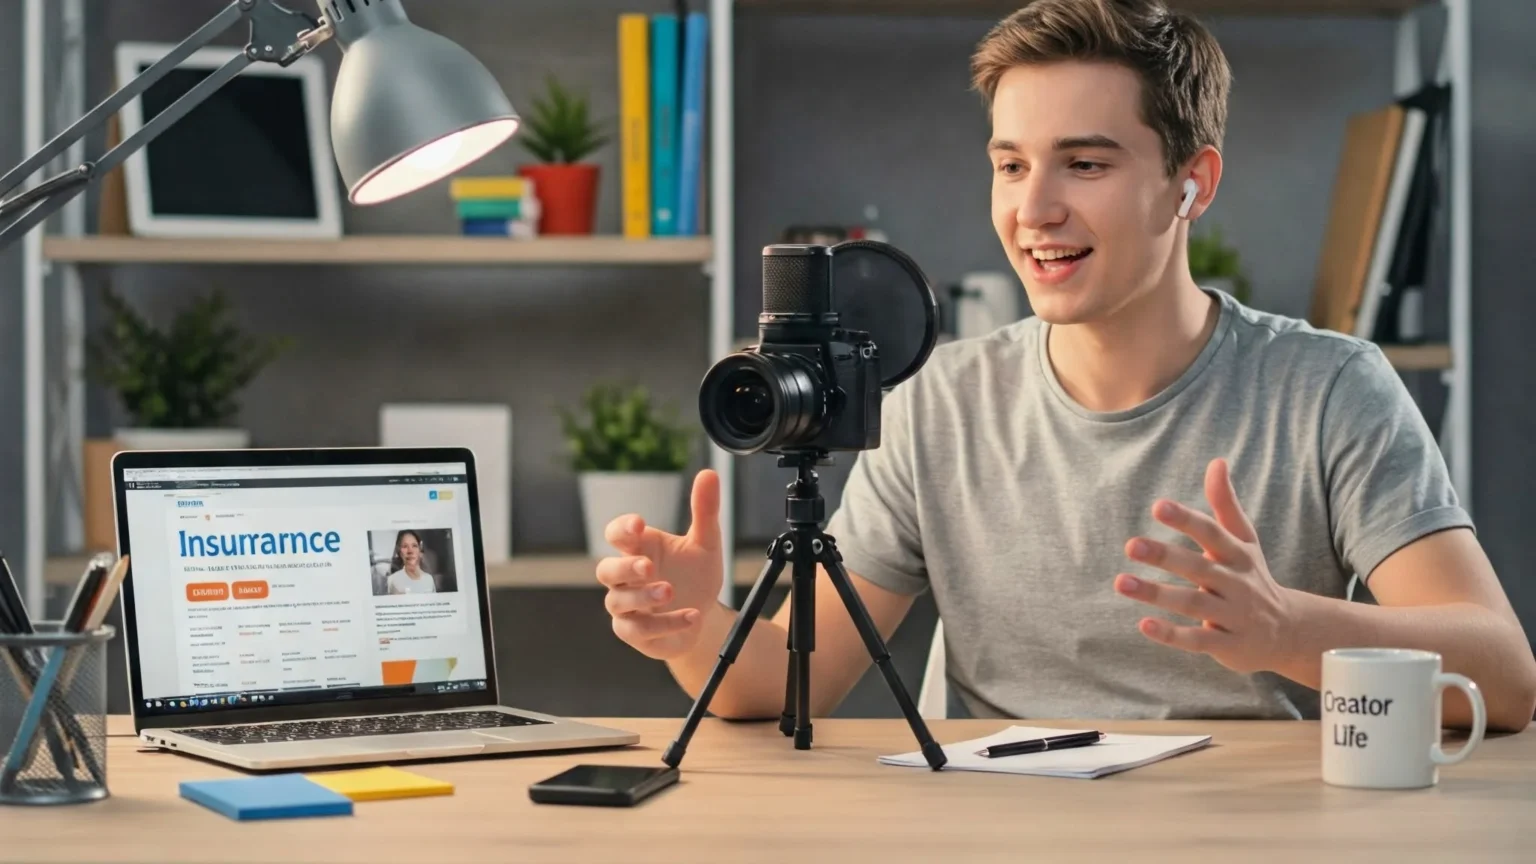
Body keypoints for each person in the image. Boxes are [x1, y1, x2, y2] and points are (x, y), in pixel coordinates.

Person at [595, 0, 1536, 732]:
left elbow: (1501, 678)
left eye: (1084, 164)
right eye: (1011, 166)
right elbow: (786, 684)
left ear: (1191, 184)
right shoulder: (940, 401)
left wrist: (1290, 634)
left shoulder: (1328, 388)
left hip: (1251, 830)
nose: (1033, 209)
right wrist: (696, 630)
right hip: (1002, 830)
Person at [386, 530, 437, 595]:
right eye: (405, 546)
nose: (410, 551)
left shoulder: (429, 579)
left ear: (420, 550)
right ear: (399, 552)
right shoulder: (392, 580)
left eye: (414, 546)